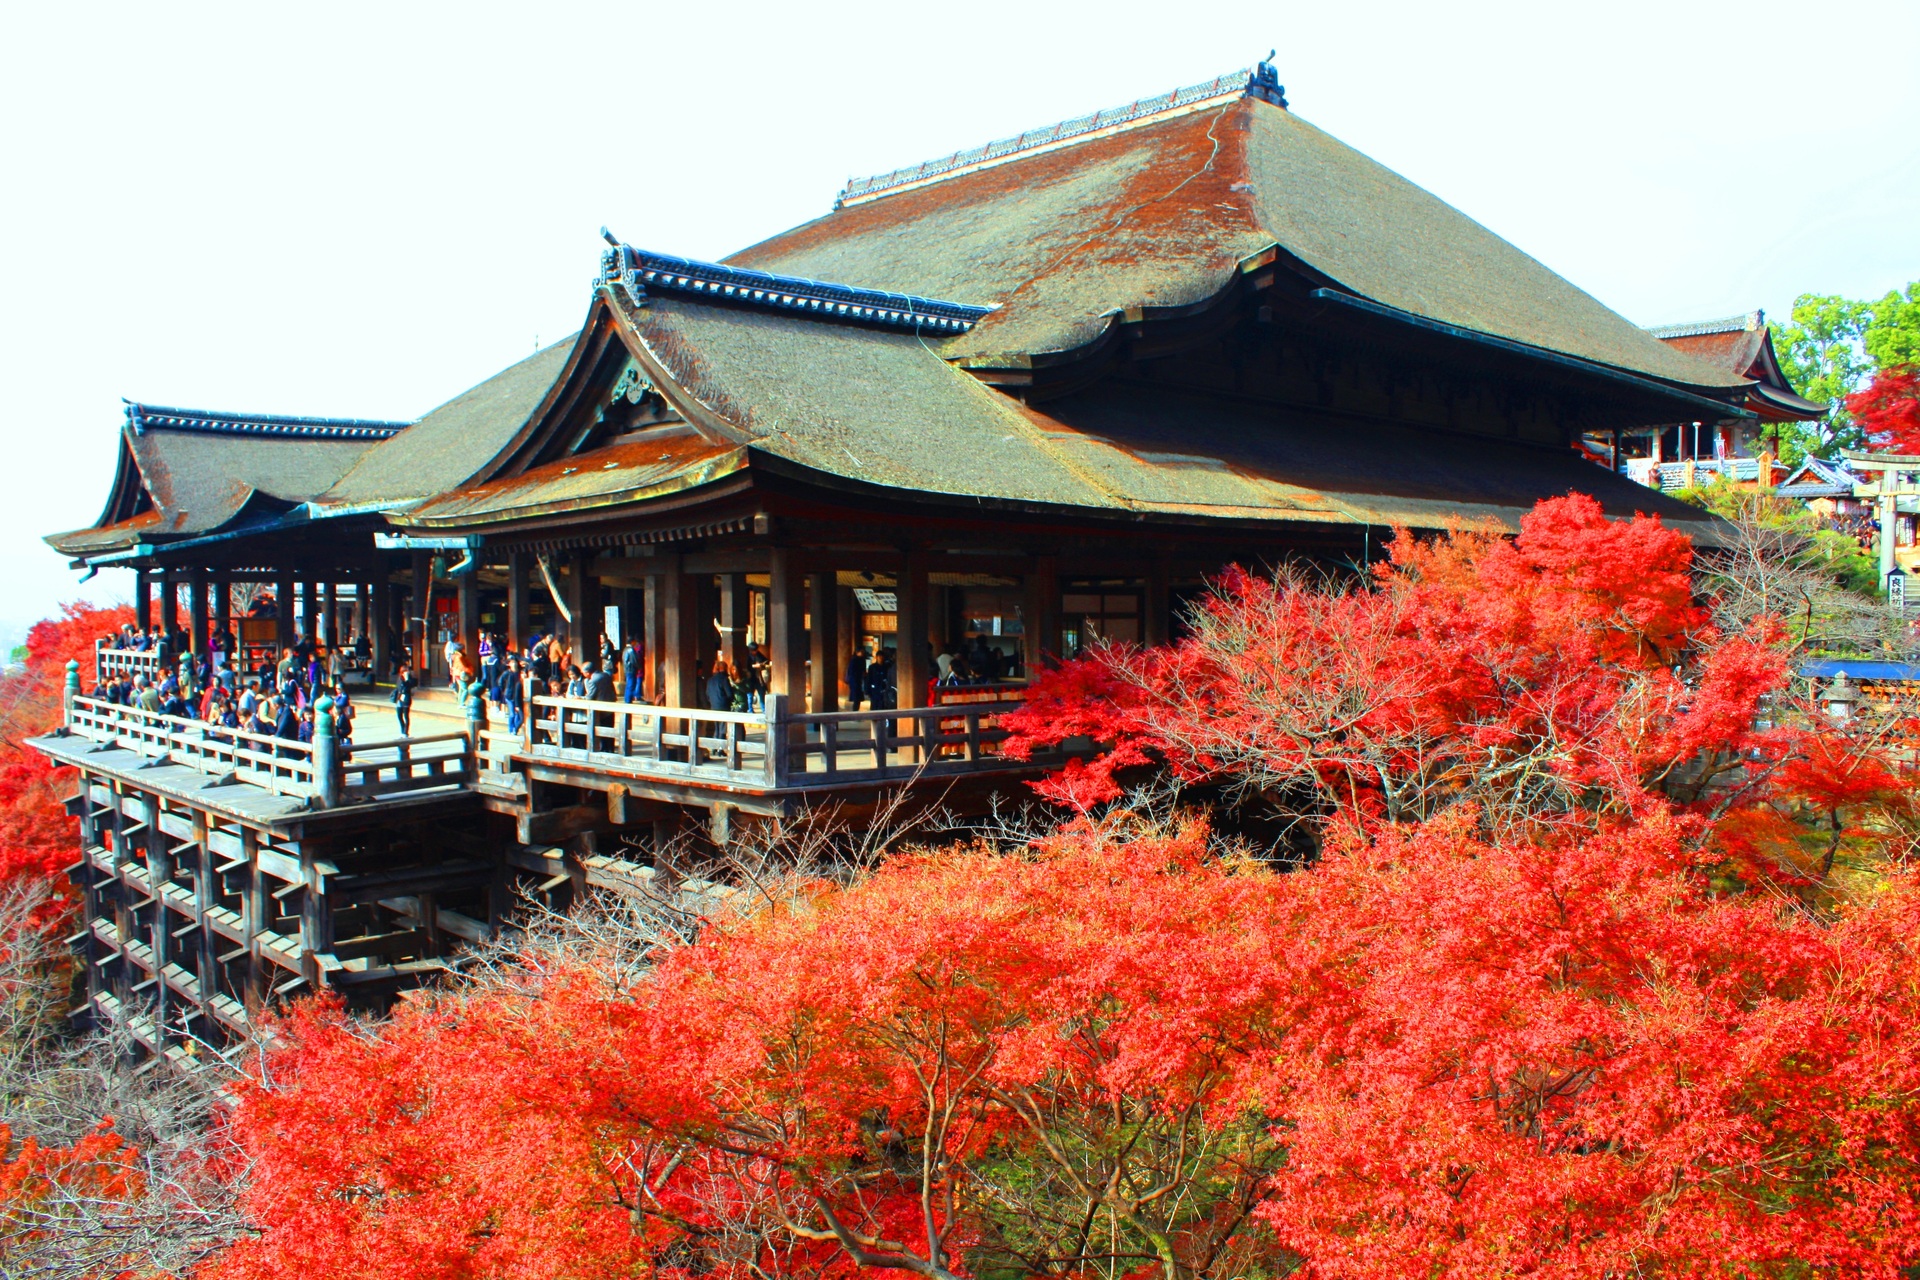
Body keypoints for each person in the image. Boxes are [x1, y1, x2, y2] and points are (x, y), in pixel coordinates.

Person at [391, 662, 417, 736]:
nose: (405, 673)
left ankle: (406, 731)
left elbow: (411, 686)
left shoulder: (411, 679)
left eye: (407, 671)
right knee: (399, 716)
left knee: (406, 716)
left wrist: (407, 679)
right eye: (404, 672)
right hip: (399, 698)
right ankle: (402, 729)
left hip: (406, 698)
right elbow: (398, 687)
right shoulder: (399, 679)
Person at [621, 635, 645, 704]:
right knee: (631, 685)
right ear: (632, 641)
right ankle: (628, 700)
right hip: (631, 669)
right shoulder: (631, 650)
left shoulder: (625, 649)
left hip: (627, 669)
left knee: (629, 684)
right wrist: (639, 667)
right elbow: (635, 660)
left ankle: (627, 699)